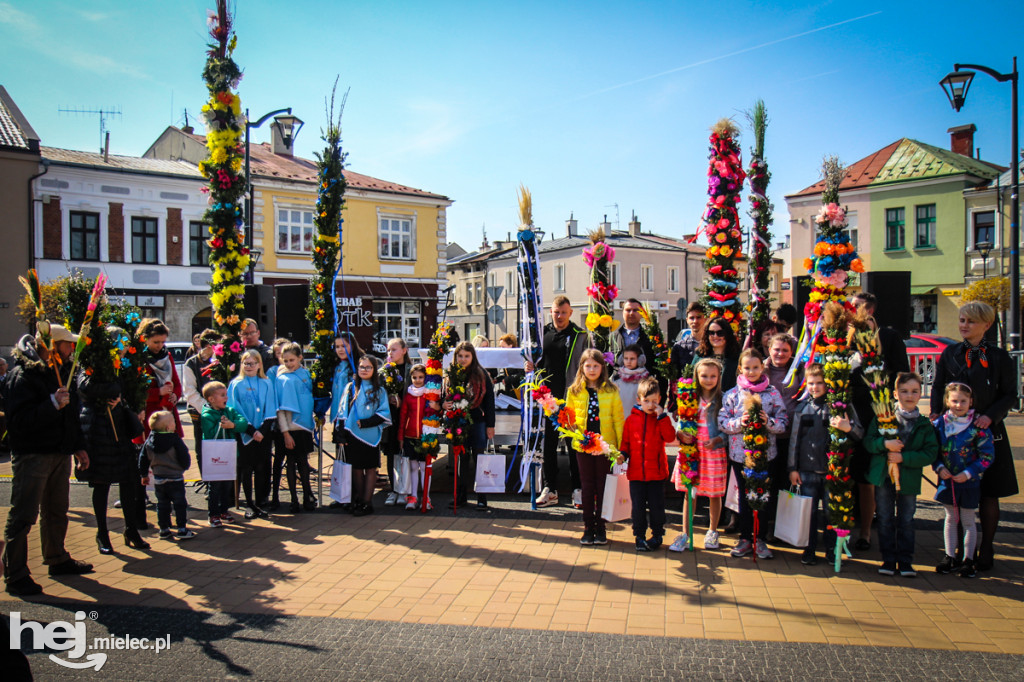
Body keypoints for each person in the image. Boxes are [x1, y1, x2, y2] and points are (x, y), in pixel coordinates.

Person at [3, 325, 93, 596]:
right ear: (51, 345)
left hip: (59, 451)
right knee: (24, 515)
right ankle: (15, 573)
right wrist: (52, 403)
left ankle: (57, 557)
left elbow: (71, 414)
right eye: (67, 345)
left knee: (57, 510)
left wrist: (78, 446)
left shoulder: (62, 371)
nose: (71, 350)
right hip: (33, 453)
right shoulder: (23, 375)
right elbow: (18, 422)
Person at [930, 301, 1017, 572]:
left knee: (989, 493)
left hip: (987, 432)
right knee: (955, 493)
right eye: (961, 320)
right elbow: (937, 386)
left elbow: (1010, 394)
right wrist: (935, 415)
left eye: (970, 321)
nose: (964, 325)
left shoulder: (1000, 357)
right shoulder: (951, 353)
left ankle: (986, 546)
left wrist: (990, 416)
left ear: (986, 324)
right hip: (955, 435)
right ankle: (954, 551)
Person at [849, 291, 909, 551]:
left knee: (870, 476)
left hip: (877, 414)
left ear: (870, 310)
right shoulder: (847, 338)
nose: (852, 311)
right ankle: (847, 527)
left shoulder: (889, 337)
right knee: (849, 473)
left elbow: (902, 372)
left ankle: (866, 532)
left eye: (857, 307)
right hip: (850, 414)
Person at [864, 372, 938, 577]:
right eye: (904, 391)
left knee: (906, 519)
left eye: (914, 391)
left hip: (908, 479)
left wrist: (905, 458)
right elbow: (869, 442)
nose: (909, 395)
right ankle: (888, 559)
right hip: (884, 477)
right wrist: (884, 444)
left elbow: (930, 453)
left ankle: (905, 560)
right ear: (895, 394)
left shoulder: (923, 424)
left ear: (921, 394)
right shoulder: (883, 418)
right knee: (885, 518)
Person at [788, 363, 863, 566]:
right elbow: (794, 440)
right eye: (811, 383)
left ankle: (831, 549)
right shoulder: (802, 409)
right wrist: (792, 468)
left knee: (831, 514)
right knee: (809, 514)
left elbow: (859, 433)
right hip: (807, 470)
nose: (815, 387)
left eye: (820, 383)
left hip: (833, 472)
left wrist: (848, 428)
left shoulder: (841, 407)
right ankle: (809, 549)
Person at [718, 348, 789, 560]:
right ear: (740, 368)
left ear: (762, 367)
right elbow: (723, 422)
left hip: (766, 455)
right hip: (741, 456)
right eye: (747, 368)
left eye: (755, 367)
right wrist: (739, 423)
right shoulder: (732, 395)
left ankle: (761, 539)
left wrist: (770, 423)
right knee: (744, 496)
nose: (751, 371)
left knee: (763, 495)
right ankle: (746, 537)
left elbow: (784, 422)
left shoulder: (773, 394)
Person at [524, 296, 586, 508]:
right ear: (551, 313)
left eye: (563, 313)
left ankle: (578, 489)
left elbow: (589, 364)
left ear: (570, 313)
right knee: (548, 445)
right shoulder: (542, 335)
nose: (559, 316)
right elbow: (534, 361)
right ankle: (550, 489)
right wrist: (529, 367)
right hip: (547, 399)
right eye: (556, 312)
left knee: (574, 446)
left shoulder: (580, 336)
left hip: (571, 399)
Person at [78, 367, 147, 555]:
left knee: (128, 483)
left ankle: (131, 529)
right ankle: (102, 533)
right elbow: (85, 387)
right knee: (101, 485)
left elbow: (132, 387)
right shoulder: (89, 368)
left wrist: (121, 399)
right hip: (98, 433)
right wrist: (115, 389)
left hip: (120, 432)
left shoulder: (121, 367)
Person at [932, 382, 994, 579]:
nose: (958, 405)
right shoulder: (940, 424)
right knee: (950, 518)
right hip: (947, 481)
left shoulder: (978, 426)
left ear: (971, 402)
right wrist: (939, 467)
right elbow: (933, 451)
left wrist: (968, 473)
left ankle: (969, 559)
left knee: (968, 520)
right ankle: (950, 556)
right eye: (954, 401)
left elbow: (987, 456)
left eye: (963, 401)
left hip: (969, 482)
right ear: (947, 401)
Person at [565, 349, 624, 546]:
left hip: (605, 446)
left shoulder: (611, 390)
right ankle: (588, 526)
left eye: (595, 366)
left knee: (603, 486)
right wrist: (571, 429)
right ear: (581, 367)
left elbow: (618, 419)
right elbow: (568, 419)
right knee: (587, 486)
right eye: (587, 365)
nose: (591, 369)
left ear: (602, 367)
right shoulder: (574, 391)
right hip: (584, 446)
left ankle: (601, 526)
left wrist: (620, 448)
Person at [671, 357, 727, 552]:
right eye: (704, 375)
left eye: (713, 376)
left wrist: (718, 439)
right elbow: (680, 422)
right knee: (690, 491)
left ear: (719, 377)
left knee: (714, 493)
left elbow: (727, 428)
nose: (708, 379)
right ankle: (686, 532)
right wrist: (680, 433)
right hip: (691, 450)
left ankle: (712, 531)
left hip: (713, 451)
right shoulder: (688, 397)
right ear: (696, 376)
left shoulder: (723, 399)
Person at [619, 377, 675, 552]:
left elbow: (670, 437)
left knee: (657, 506)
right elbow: (626, 443)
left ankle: (657, 533)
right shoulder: (631, 420)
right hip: (636, 473)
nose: (650, 405)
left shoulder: (660, 419)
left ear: (659, 400)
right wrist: (622, 455)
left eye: (654, 401)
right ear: (638, 400)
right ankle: (639, 536)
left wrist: (662, 417)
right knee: (638, 507)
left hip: (656, 473)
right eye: (646, 401)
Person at [337, 354, 392, 516]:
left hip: (371, 436)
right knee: (356, 469)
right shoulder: (350, 387)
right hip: (352, 435)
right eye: (362, 367)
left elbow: (384, 412)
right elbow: (342, 411)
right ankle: (359, 500)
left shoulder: (379, 390)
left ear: (374, 370)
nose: (364, 370)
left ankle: (368, 503)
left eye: (368, 367)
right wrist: (340, 434)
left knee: (370, 468)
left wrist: (367, 422)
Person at [445, 342, 496, 509]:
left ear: (473, 357)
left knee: (479, 458)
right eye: (460, 356)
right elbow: (444, 396)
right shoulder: (451, 374)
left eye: (467, 356)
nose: (463, 359)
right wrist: (444, 405)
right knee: (462, 458)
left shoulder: (481, 375)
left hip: (477, 421)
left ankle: (482, 496)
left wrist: (490, 425)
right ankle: (461, 495)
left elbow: (489, 401)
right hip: (458, 420)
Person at [228, 350, 277, 519]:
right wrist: (250, 430)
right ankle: (249, 503)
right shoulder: (236, 384)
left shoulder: (266, 383)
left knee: (262, 467)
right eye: (246, 363)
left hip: (263, 433)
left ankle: (261, 501)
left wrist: (262, 430)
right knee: (246, 469)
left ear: (259, 365)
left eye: (252, 363)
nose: (249, 366)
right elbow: (234, 409)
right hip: (245, 432)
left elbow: (271, 408)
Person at [764, 333, 802, 537]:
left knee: (784, 481)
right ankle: (767, 524)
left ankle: (783, 527)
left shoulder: (798, 370)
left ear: (791, 352)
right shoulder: (760, 369)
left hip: (790, 435)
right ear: (769, 349)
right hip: (765, 436)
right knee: (767, 480)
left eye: (785, 350)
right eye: (776, 349)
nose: (780, 353)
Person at [201, 381, 252, 526]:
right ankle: (213, 514)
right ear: (211, 399)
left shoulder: (229, 410)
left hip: (229, 454)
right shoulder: (206, 415)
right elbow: (210, 434)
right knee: (215, 486)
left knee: (227, 485)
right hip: (215, 455)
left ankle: (224, 510)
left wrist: (233, 425)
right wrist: (222, 425)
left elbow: (243, 422)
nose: (226, 398)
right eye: (223, 395)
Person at [274, 342, 317, 513]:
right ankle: (293, 499)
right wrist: (285, 433)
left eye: (292, 360)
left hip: (304, 427)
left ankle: (307, 495)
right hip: (290, 429)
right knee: (290, 463)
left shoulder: (306, 375)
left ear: (300, 357)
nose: (289, 364)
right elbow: (280, 410)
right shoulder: (281, 379)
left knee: (304, 463)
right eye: (285, 361)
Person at [139, 410, 195, 540]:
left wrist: (144, 475)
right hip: (175, 477)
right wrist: (184, 466)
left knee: (162, 504)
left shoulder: (149, 440)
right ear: (168, 427)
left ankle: (164, 529)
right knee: (180, 504)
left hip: (159, 478)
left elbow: (143, 458)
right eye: (173, 421)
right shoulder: (174, 440)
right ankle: (181, 528)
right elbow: (184, 455)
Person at [327, 332, 363, 509]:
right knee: (341, 456)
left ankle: (355, 495)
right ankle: (343, 494)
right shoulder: (336, 365)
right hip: (337, 416)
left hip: (352, 417)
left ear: (352, 345)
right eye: (337, 346)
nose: (340, 349)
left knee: (353, 457)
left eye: (344, 346)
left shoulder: (357, 365)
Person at [397, 364, 440, 510]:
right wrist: (401, 437)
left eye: (421, 377)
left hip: (425, 436)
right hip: (410, 436)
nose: (417, 380)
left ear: (425, 378)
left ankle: (426, 498)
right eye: (414, 377)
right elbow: (403, 417)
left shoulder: (429, 395)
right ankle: (413, 496)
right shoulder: (408, 396)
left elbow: (437, 413)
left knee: (425, 467)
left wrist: (437, 408)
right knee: (413, 467)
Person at [139, 318, 184, 438]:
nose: (160, 346)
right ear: (145, 339)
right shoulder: (139, 358)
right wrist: (158, 392)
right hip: (149, 414)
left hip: (168, 412)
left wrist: (175, 395)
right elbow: (136, 391)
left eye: (163, 342)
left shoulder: (167, 356)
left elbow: (177, 383)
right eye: (156, 342)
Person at [182, 329, 220, 466]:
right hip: (200, 412)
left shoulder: (219, 359)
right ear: (209, 345)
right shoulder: (191, 364)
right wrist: (208, 409)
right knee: (202, 447)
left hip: (220, 411)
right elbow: (190, 391)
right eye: (217, 344)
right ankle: (206, 479)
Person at [383, 337, 412, 506]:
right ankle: (393, 489)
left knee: (405, 454)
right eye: (388, 350)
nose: (390, 353)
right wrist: (388, 398)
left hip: (406, 417)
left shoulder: (409, 370)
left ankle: (404, 489)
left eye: (394, 349)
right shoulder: (385, 370)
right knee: (391, 453)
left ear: (404, 350)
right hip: (390, 417)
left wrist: (403, 400)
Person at [693, 316, 740, 392]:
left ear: (727, 334)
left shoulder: (736, 358)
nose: (715, 336)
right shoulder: (700, 355)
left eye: (720, 333)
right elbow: (690, 379)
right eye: (711, 333)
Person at [670, 302, 706, 374]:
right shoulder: (679, 347)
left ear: (705, 319)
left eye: (698, 317)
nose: (695, 321)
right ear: (687, 320)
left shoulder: (712, 344)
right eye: (691, 318)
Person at [613, 344, 650, 412]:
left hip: (638, 418)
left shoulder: (646, 379)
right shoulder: (617, 379)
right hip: (620, 418)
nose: (628, 361)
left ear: (640, 360)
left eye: (632, 359)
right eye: (626, 358)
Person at [494, 333, 524, 400]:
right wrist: (497, 379)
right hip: (510, 392)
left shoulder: (518, 357)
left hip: (517, 392)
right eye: (500, 347)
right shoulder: (506, 358)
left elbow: (522, 374)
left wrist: (507, 379)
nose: (501, 349)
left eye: (503, 347)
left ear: (510, 345)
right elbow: (507, 375)